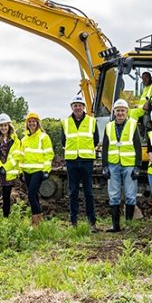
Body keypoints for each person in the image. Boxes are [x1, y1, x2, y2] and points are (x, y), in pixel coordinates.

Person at [101, 99, 141, 232]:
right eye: (118, 110)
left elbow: (138, 146)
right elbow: (105, 147)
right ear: (114, 112)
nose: (120, 113)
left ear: (126, 112)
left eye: (122, 110)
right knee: (114, 195)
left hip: (129, 164)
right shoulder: (109, 126)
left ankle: (128, 225)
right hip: (113, 164)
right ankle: (116, 225)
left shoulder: (133, 125)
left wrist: (137, 166)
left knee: (130, 194)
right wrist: (104, 166)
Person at [61, 95, 100, 230]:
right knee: (73, 192)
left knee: (88, 192)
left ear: (84, 107)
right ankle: (74, 222)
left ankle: (92, 221)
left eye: (80, 105)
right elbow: (63, 141)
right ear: (72, 107)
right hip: (72, 161)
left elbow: (96, 140)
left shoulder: (91, 121)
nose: (77, 107)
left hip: (86, 161)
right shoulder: (65, 123)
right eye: (75, 105)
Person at [20, 112, 54, 226]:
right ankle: (39, 221)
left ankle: (35, 222)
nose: (32, 123)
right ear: (27, 124)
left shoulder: (44, 137)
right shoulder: (24, 139)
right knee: (34, 196)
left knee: (31, 195)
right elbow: (21, 156)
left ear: (37, 123)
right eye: (29, 121)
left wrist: (46, 170)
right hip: (26, 171)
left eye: (34, 121)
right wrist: (20, 171)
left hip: (38, 171)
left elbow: (49, 154)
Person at [0, 113, 22, 218]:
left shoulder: (15, 141)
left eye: (5, 125)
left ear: (9, 126)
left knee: (6, 197)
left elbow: (16, 157)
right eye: (1, 125)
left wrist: (5, 168)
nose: (3, 128)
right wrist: (0, 167)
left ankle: (5, 219)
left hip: (8, 173)